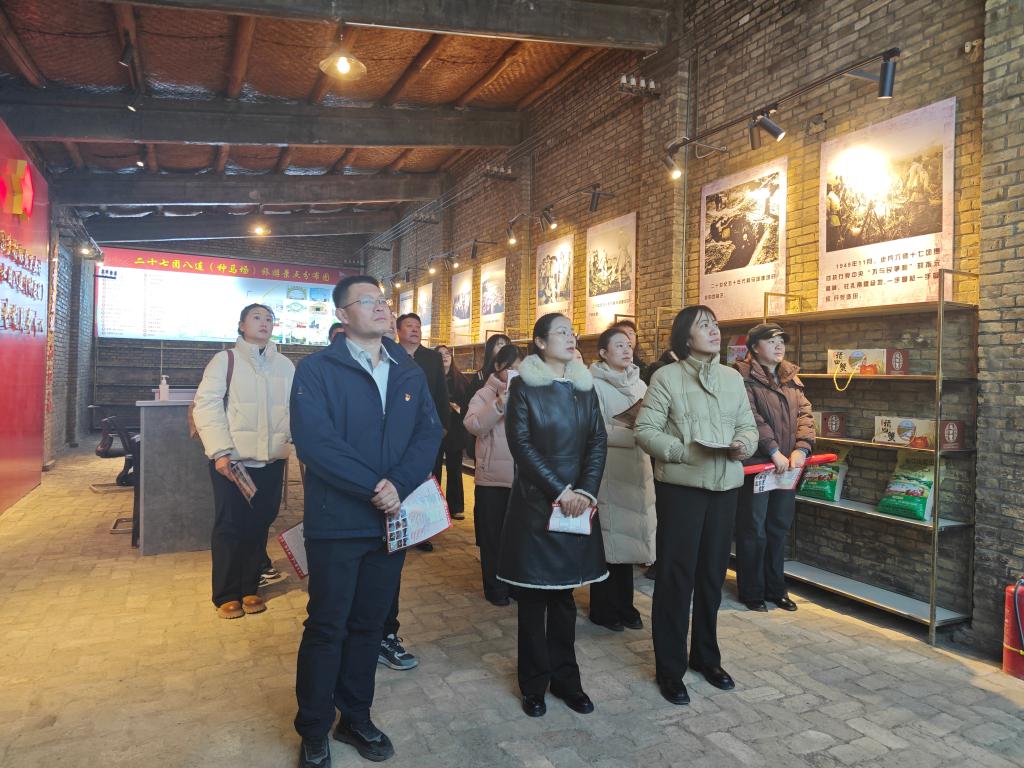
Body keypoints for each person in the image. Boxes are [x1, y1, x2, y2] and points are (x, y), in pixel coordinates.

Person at [291, 275, 441, 767]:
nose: (381, 307)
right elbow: (316, 443)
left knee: (370, 626)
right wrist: (375, 487)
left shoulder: (407, 370)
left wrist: (398, 483)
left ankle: (355, 717)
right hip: (337, 522)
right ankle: (314, 728)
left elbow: (428, 433)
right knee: (327, 626)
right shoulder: (317, 370)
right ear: (342, 315)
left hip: (390, 524)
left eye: (383, 300)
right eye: (368, 301)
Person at [634, 305, 757, 706]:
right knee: (676, 579)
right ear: (685, 336)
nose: (714, 331)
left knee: (711, 578)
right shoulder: (666, 377)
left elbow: (748, 425)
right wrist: (681, 452)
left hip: (725, 488)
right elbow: (645, 430)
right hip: (682, 489)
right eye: (704, 326)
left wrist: (743, 445)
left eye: (716, 324)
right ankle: (670, 669)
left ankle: (706, 657)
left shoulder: (732, 378)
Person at [498, 313, 608, 718]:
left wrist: (585, 491)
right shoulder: (524, 387)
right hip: (536, 505)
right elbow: (521, 445)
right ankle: (533, 683)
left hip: (577, 503)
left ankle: (567, 680)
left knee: (565, 599)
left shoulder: (584, 388)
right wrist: (560, 491)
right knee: (533, 601)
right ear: (540, 343)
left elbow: (597, 441)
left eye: (572, 332)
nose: (571, 337)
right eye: (561, 332)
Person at [193, 303, 294, 620]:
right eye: (257, 317)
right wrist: (220, 451)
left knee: (259, 523)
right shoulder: (226, 360)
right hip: (233, 462)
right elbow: (206, 405)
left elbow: (295, 408)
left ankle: (250, 587)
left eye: (269, 319)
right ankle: (226, 593)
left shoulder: (285, 365)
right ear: (241, 325)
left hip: (272, 461)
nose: (264, 323)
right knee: (229, 524)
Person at [733, 323, 814, 612]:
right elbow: (750, 417)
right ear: (754, 347)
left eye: (782, 341)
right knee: (753, 528)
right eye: (771, 341)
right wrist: (773, 450)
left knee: (778, 526)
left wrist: (802, 448)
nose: (779, 346)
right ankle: (752, 590)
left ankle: (776, 588)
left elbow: (805, 414)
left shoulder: (790, 377)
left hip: (787, 465)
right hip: (758, 464)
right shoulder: (741, 376)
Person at [587, 327, 656, 632]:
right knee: (609, 541)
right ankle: (602, 609)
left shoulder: (640, 384)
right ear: (603, 353)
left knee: (631, 541)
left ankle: (626, 605)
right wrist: (635, 434)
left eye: (628, 345)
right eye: (618, 345)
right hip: (610, 470)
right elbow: (592, 429)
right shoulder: (593, 385)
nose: (627, 350)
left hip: (638, 470)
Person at [463, 343, 524, 606]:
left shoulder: (528, 393)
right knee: (492, 537)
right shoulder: (483, 394)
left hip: (521, 479)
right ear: (498, 367)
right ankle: (495, 588)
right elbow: (473, 425)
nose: (515, 374)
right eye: (511, 368)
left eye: (520, 369)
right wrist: (499, 404)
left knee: (517, 538)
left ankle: (515, 585)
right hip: (492, 478)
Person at [436, 344, 468, 520]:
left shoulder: (461, 379)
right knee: (434, 469)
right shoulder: (432, 377)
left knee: (455, 469)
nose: (445, 356)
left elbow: (468, 404)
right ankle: (434, 508)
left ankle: (455, 507)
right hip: (436, 428)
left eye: (447, 353)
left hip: (455, 429)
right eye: (440, 354)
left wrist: (457, 407)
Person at [464, 333, 511, 407]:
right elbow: (468, 405)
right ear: (490, 349)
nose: (505, 348)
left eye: (507, 345)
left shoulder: (513, 373)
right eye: (500, 344)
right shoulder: (480, 377)